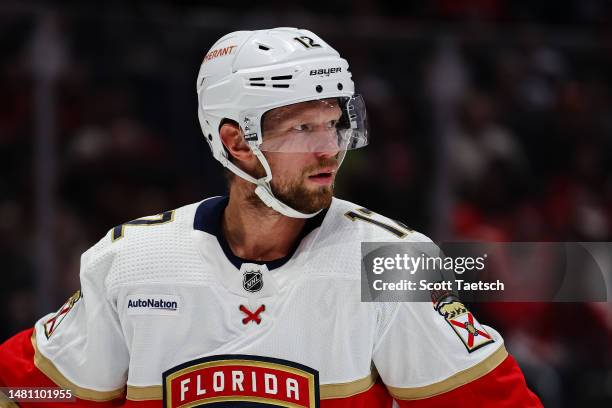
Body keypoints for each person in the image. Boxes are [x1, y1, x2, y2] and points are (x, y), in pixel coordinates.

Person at [0, 27, 542, 407]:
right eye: (302, 129)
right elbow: (31, 393)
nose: (330, 149)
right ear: (236, 142)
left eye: (335, 124)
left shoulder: (385, 262)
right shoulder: (134, 261)